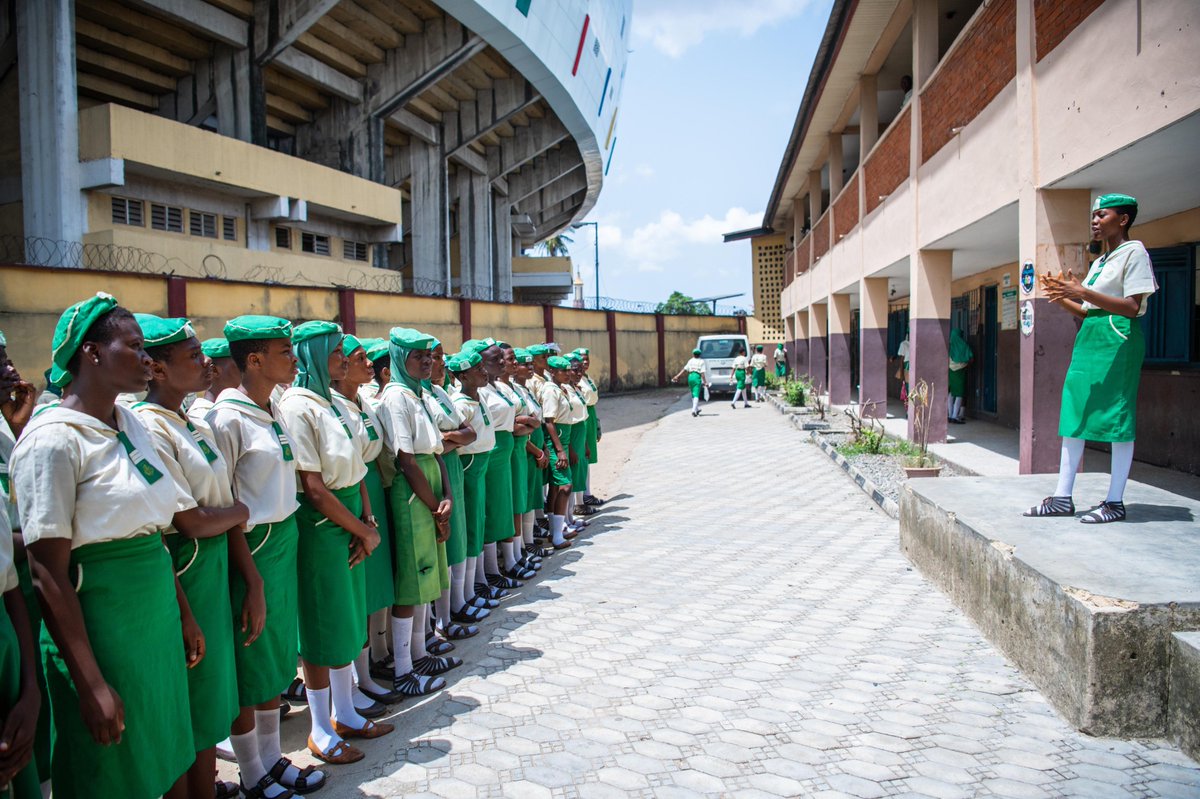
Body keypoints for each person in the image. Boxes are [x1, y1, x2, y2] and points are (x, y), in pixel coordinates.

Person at [11, 294, 195, 798]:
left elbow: (151, 529)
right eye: (133, 347)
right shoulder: (52, 441)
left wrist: (182, 613)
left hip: (153, 618)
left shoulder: (129, 422)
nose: (146, 359)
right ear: (91, 353)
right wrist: (92, 684)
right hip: (104, 632)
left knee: (166, 748)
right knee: (112, 769)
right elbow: (47, 573)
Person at [133, 315, 254, 799]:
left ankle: (209, 784)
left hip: (214, 559)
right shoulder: (150, 426)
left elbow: (213, 507)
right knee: (196, 694)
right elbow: (191, 521)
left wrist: (227, 514)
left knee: (211, 693)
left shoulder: (192, 421)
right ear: (158, 370)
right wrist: (240, 510)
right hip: (189, 565)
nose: (208, 364)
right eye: (193, 357)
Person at [207, 314, 325, 798]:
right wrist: (250, 578)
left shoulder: (270, 407)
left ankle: (274, 760)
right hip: (250, 549)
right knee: (250, 661)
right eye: (284, 352)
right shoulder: (226, 418)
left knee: (275, 658)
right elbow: (226, 503)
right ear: (253, 360)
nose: (294, 359)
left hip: (282, 539)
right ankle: (252, 772)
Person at [278, 321, 391, 765]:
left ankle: (347, 712)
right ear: (312, 358)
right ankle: (321, 729)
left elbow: (357, 467)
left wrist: (365, 517)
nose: (344, 360)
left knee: (345, 621)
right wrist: (361, 530)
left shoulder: (333, 403)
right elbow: (314, 487)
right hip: (323, 525)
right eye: (335, 354)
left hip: (348, 517)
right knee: (322, 626)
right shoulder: (297, 406)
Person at [1026, 193, 1158, 524]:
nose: (1095, 221)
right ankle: (1062, 497)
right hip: (1090, 339)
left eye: (1102, 215)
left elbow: (1130, 306)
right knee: (1075, 411)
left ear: (1123, 219)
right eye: (1094, 216)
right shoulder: (1100, 262)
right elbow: (1088, 311)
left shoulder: (1135, 252)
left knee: (1117, 415)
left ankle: (1115, 502)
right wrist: (1060, 298)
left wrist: (1082, 292)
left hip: (1119, 339)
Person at [374, 328, 457, 699]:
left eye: (428, 356)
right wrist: (432, 505)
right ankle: (404, 669)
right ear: (397, 359)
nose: (426, 362)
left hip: (432, 489)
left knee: (428, 576)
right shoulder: (396, 397)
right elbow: (406, 461)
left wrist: (447, 496)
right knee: (412, 579)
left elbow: (436, 449)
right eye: (416, 356)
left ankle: (421, 654)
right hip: (414, 494)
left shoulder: (418, 393)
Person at [328, 335, 404, 713]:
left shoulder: (364, 401)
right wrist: (366, 513)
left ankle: (373, 661)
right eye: (360, 359)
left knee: (375, 586)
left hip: (372, 488)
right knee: (356, 590)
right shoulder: (335, 406)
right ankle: (359, 678)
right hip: (356, 496)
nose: (368, 364)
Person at [0, 330, 42, 799]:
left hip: (18, 591)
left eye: (9, 358)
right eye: (0, 362)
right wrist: (42, 543)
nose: (12, 370)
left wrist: (16, 427)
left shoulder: (6, 428)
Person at [422, 344, 479, 642]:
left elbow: (469, 432)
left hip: (451, 467)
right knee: (439, 546)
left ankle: (452, 610)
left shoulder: (440, 393)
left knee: (455, 540)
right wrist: (454, 438)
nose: (440, 363)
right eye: (435, 357)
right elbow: (435, 445)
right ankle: (438, 622)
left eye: (441, 357)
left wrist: (451, 437)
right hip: (437, 469)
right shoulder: (417, 397)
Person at [446, 351, 499, 620]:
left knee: (476, 526)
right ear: (462, 376)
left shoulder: (479, 397)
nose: (484, 372)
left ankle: (473, 590)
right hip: (468, 465)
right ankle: (462, 596)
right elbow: (457, 436)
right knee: (466, 531)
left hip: (482, 463)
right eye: (477, 369)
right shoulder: (460, 403)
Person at [537, 356, 576, 550]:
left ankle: (556, 530)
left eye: (569, 370)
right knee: (564, 486)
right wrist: (560, 450)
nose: (568, 374)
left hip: (564, 439)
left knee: (556, 487)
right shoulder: (550, 390)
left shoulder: (561, 388)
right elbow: (549, 421)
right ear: (552, 371)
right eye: (564, 371)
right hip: (556, 442)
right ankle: (558, 535)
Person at [573, 349, 604, 509]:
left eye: (587, 359)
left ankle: (587, 493)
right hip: (582, 414)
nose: (585, 362)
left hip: (590, 413)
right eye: (582, 360)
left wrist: (597, 424)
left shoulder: (586, 377)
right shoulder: (575, 381)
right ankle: (581, 497)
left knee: (588, 456)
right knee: (582, 456)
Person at [188, 338, 240, 424]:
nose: (246, 370)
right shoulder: (201, 417)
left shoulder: (239, 405)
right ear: (214, 370)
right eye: (239, 365)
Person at [672, 349, 708, 417]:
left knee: (693, 394)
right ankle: (693, 410)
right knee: (696, 394)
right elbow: (702, 373)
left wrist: (677, 376)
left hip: (690, 377)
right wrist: (705, 382)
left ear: (693, 354)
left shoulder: (690, 360)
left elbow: (684, 369)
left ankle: (696, 409)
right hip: (697, 376)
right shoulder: (701, 361)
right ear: (700, 355)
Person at [947, 329, 973, 424]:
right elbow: (971, 358)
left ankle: (950, 415)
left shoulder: (949, 346)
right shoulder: (964, 346)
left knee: (950, 393)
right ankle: (955, 416)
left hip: (950, 371)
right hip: (961, 371)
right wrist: (964, 364)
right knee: (959, 394)